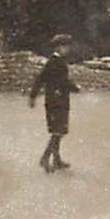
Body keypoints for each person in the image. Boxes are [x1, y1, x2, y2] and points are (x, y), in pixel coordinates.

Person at [27, 34, 80, 174]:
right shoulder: (56, 62)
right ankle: (45, 158)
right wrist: (75, 87)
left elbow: (40, 79)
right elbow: (62, 81)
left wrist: (33, 96)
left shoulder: (55, 61)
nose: (67, 49)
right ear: (59, 47)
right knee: (58, 131)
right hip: (57, 101)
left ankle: (56, 160)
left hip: (55, 100)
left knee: (59, 131)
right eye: (65, 46)